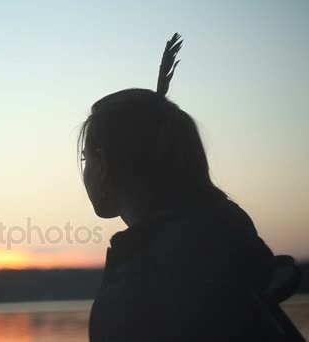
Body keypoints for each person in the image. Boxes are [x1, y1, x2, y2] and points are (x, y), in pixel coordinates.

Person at [80, 33, 304, 341]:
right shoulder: (225, 251)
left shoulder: (136, 293)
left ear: (103, 164)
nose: (84, 172)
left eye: (85, 158)